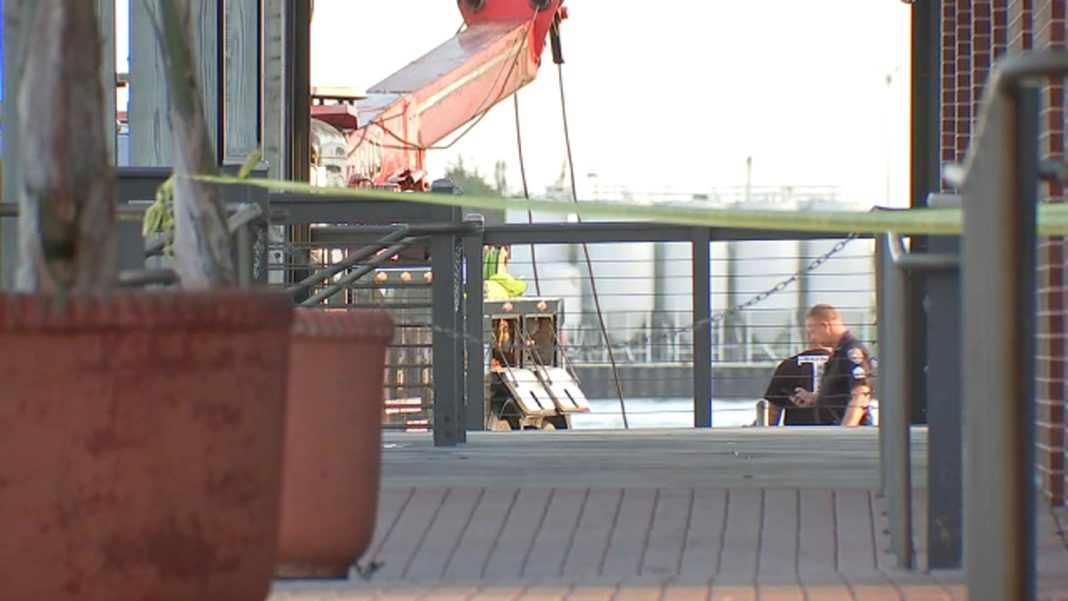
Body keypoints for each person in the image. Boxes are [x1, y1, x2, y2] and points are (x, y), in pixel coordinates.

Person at [790, 304, 874, 426]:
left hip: (845, 432)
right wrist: (815, 399)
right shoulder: (838, 353)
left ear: (825, 326)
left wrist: (845, 431)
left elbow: (860, 394)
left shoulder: (851, 352)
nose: (812, 338)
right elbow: (840, 394)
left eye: (813, 332)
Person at [763, 347, 833, 425]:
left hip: (797, 433)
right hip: (837, 433)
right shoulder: (843, 364)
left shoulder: (789, 365)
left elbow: (772, 416)